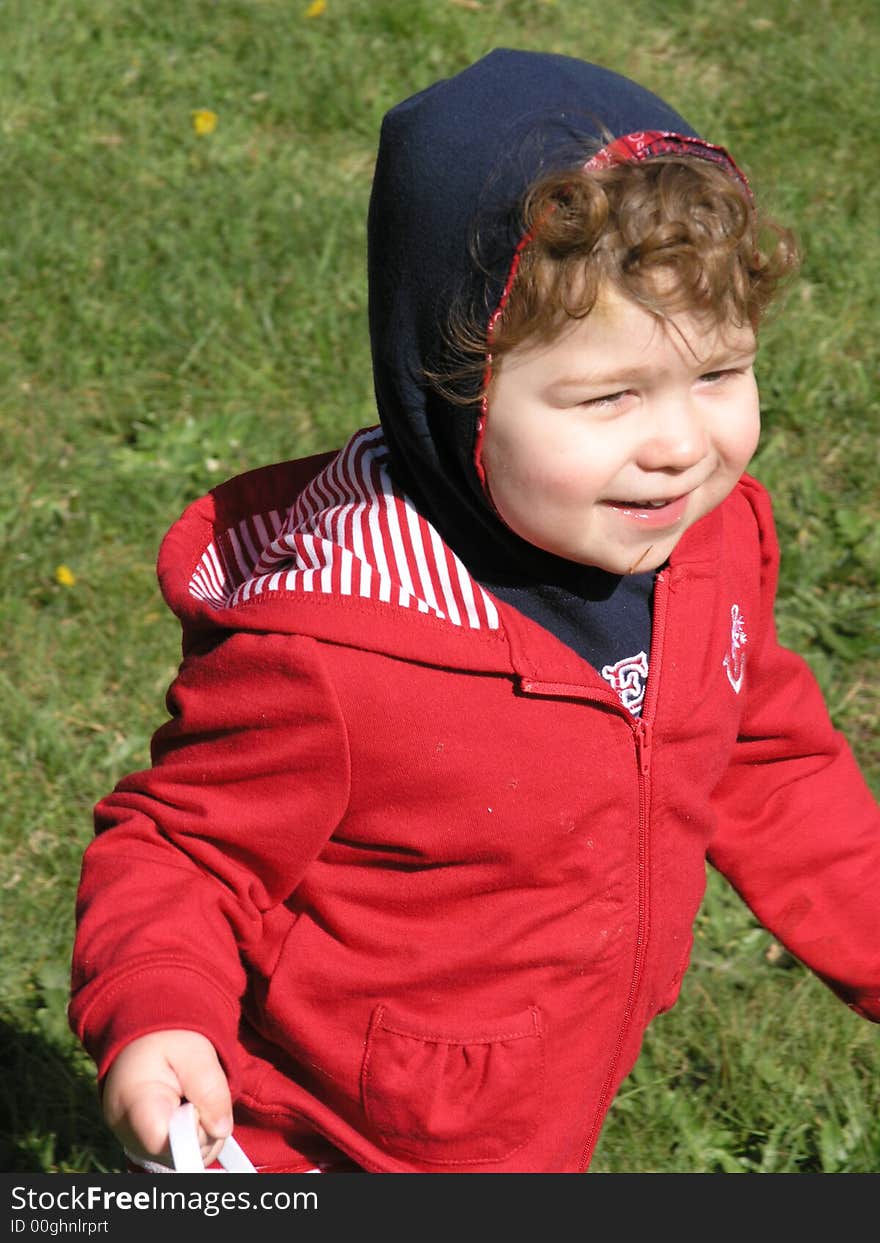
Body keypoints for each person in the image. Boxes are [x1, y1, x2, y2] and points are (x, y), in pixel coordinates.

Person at [69, 48, 880, 1174]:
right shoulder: (336, 648)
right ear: (452, 392)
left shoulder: (712, 546)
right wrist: (159, 1010)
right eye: (608, 396)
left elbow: (764, 752)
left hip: (537, 1101)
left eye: (718, 374)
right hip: (334, 1134)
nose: (682, 446)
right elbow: (184, 850)